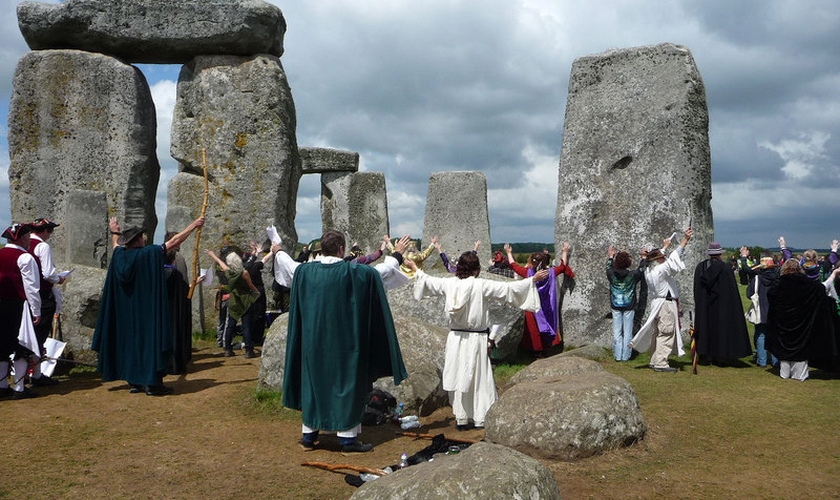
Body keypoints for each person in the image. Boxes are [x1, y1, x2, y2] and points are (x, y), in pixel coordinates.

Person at [282, 230, 408, 454]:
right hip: (345, 343)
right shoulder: (355, 272)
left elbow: (287, 265)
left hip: (314, 343)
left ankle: (308, 438)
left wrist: (278, 249)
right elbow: (381, 273)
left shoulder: (305, 272)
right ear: (341, 249)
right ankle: (348, 441)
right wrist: (397, 255)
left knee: (314, 385)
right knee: (346, 385)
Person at [408, 252, 550, 430]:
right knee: (478, 376)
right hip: (476, 338)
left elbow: (428, 281)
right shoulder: (481, 285)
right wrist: (532, 280)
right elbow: (509, 290)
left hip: (456, 338)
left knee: (461, 375)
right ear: (476, 269)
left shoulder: (449, 283)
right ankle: (479, 417)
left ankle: (461, 418)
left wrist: (415, 269)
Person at [92, 216, 205, 396]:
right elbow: (173, 241)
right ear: (138, 240)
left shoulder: (120, 255)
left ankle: (135, 382)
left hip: (125, 312)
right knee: (149, 344)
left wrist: (115, 230)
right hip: (145, 310)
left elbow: (115, 244)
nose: (144, 239)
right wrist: (193, 225)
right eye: (142, 237)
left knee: (130, 344)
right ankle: (153, 384)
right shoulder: (147, 254)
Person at [630, 228, 693, 373]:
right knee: (666, 332)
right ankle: (661, 363)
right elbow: (674, 257)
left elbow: (664, 259)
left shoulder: (648, 271)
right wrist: (682, 241)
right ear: (657, 259)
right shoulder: (659, 271)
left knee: (657, 332)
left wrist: (665, 247)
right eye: (661, 257)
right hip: (665, 304)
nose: (663, 258)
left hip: (658, 303)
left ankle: (654, 360)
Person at [766, 259, 840, 381]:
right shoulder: (807, 284)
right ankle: (799, 375)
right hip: (802, 325)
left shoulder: (777, 285)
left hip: (782, 324)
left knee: (784, 351)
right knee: (801, 352)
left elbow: (771, 300)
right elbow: (822, 288)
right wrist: (833, 275)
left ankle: (784, 374)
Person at [505, 242, 575, 357]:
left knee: (533, 328)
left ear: (532, 263)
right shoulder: (551, 273)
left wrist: (508, 252)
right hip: (547, 305)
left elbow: (514, 265)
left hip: (533, 306)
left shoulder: (528, 273)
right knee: (547, 324)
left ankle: (534, 350)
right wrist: (565, 251)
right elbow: (563, 267)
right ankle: (547, 348)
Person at [0, 223, 42, 400]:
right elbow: (31, 287)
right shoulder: (25, 258)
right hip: (18, 304)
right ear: (24, 238)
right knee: (22, 344)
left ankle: (1, 385)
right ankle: (19, 387)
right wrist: (36, 310)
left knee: (1, 344)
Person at [693, 242, 752, 365]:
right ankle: (721, 355)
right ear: (720, 254)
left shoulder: (701, 267)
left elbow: (697, 288)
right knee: (722, 329)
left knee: (706, 327)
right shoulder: (726, 268)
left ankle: (707, 354)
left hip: (705, 305)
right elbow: (730, 291)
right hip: (722, 306)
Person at [27, 218, 67, 386]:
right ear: (44, 231)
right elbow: (48, 273)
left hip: (27, 295)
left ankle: (26, 372)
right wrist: (60, 278)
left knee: (28, 335)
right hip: (42, 295)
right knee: (40, 335)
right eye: (49, 231)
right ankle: (35, 374)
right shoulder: (42, 246)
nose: (50, 235)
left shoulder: (25, 245)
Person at [204, 247, 264, 358]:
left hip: (234, 300)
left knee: (230, 325)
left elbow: (221, 264)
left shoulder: (228, 273)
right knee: (246, 326)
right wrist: (257, 293)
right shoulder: (244, 273)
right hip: (245, 300)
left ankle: (228, 349)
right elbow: (251, 286)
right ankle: (248, 350)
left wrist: (213, 255)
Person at [742, 249, 781, 368]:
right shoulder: (778, 279)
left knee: (761, 335)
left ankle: (762, 360)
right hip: (775, 310)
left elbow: (749, 294)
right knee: (774, 335)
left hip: (761, 309)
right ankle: (775, 361)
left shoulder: (757, 279)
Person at [606, 245, 645, 362]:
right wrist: (643, 258)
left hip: (615, 305)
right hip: (629, 306)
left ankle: (618, 356)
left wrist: (611, 256)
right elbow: (641, 270)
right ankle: (626, 356)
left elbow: (608, 267)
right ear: (628, 262)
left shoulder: (611, 274)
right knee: (628, 332)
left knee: (617, 331)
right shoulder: (632, 275)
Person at [164, 248, 192, 374]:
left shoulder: (158, 273)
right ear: (173, 259)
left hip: (163, 310)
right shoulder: (175, 274)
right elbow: (183, 290)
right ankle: (175, 365)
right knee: (176, 336)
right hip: (175, 310)